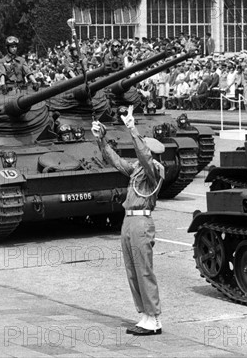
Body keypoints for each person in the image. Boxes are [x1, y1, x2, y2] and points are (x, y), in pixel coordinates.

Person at [92, 106, 164, 336]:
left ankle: (153, 318)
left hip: (142, 222)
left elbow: (144, 156)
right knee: (132, 270)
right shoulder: (137, 171)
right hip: (129, 221)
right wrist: (101, 140)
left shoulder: (154, 170)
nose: (139, 156)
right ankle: (144, 314)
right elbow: (116, 161)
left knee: (144, 270)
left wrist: (132, 129)